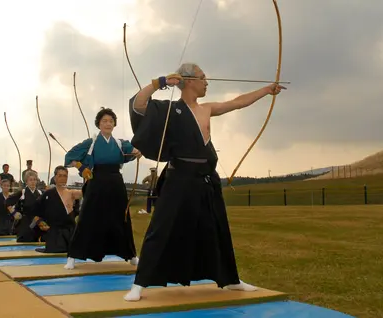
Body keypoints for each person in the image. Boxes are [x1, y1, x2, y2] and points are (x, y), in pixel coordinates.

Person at [123, 63, 286, 301]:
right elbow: (138, 104)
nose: (207, 82)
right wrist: (159, 83)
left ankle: (231, 279)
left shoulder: (206, 109)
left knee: (218, 228)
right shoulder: (170, 110)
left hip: (206, 179)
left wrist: (266, 90)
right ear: (189, 81)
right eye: (203, 78)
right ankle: (139, 284)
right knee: (161, 227)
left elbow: (237, 102)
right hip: (179, 178)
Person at [63, 107, 141, 270]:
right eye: (104, 121)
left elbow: (133, 151)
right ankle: (73, 255)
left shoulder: (120, 143)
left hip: (115, 182)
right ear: (98, 124)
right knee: (88, 216)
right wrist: (82, 167)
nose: (108, 124)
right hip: (96, 181)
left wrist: (137, 152)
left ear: (114, 124)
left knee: (122, 217)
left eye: (111, 121)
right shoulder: (90, 143)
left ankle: (131, 255)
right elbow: (70, 156)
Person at [31, 166, 82, 253]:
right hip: (54, 234)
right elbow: (35, 211)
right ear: (55, 177)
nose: (62, 178)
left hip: (69, 233)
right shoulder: (47, 194)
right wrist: (40, 222)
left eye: (65, 176)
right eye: (60, 176)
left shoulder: (72, 193)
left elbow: (88, 192)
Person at [6, 171, 46, 242]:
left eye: (34, 180)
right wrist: (14, 212)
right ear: (26, 181)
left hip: (37, 223)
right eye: (30, 180)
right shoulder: (22, 192)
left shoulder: (40, 193)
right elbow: (7, 202)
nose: (33, 182)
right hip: (25, 224)